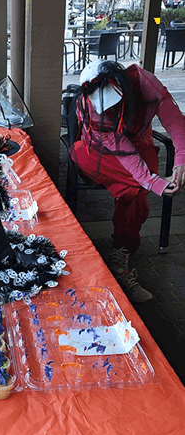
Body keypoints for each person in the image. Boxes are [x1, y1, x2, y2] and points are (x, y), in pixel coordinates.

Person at [67, 59, 185, 302]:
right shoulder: (90, 107)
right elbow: (124, 152)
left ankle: (120, 255)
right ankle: (122, 258)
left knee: (134, 190)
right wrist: (153, 182)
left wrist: (181, 160)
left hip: (140, 145)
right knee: (137, 186)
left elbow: (175, 121)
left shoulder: (146, 84)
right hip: (95, 151)